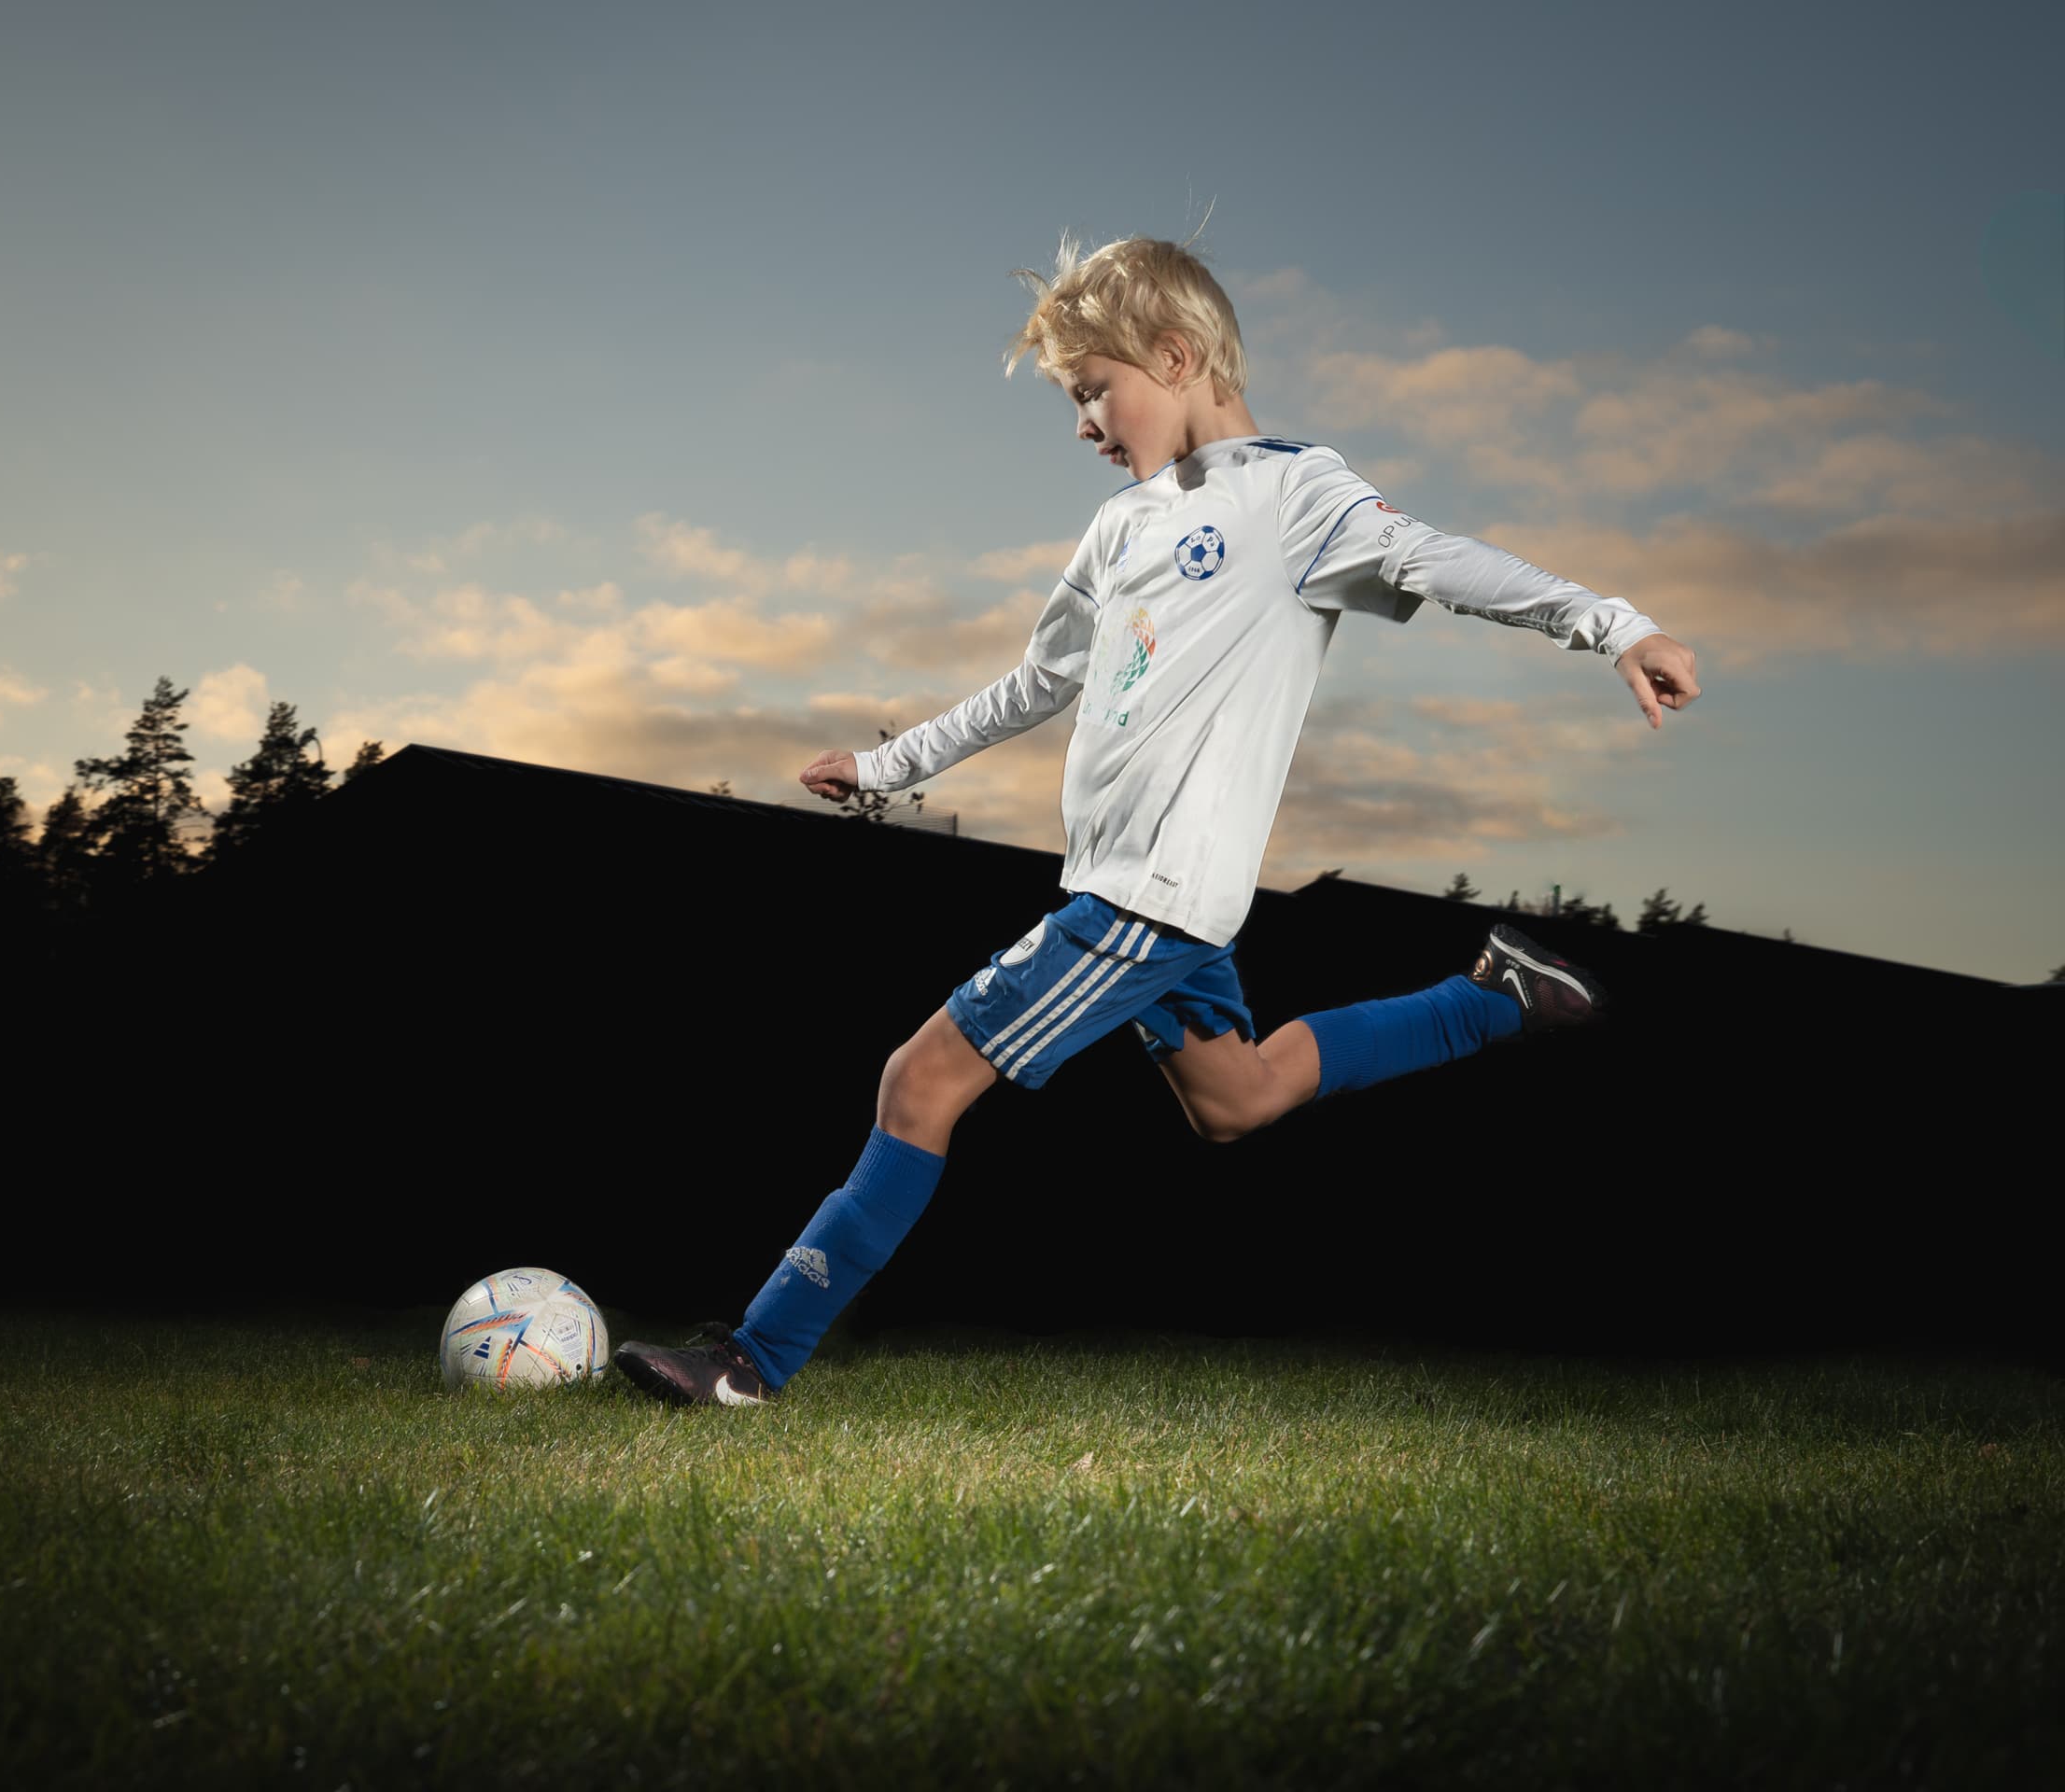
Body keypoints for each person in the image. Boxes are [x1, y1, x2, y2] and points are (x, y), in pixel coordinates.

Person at [613, 234, 1701, 1407]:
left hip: (1142, 901)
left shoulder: (1295, 497)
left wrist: (1617, 626)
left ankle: (753, 1359)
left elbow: (1442, 561)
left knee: (916, 1084)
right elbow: (1036, 683)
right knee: (1239, 1098)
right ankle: (1493, 998)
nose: (1084, 423)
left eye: (1093, 391)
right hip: (1148, 892)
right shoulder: (1122, 529)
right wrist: (888, 767)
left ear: (1176, 355)